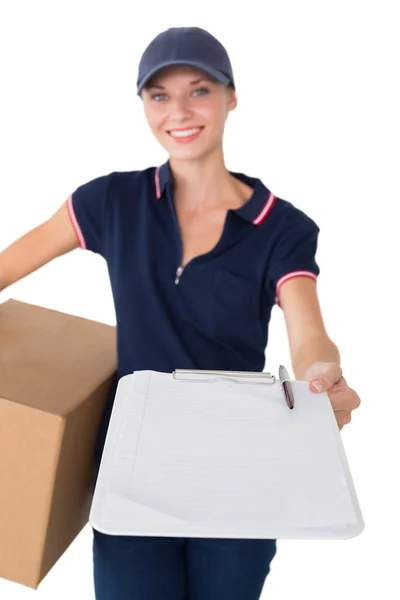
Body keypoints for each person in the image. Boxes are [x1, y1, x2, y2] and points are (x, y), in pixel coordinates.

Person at [0, 26, 361, 600]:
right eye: (160, 95)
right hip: (132, 468)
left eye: (199, 90)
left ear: (230, 97)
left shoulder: (282, 227)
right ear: (144, 105)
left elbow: (309, 334)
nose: (180, 111)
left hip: (240, 472)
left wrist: (322, 378)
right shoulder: (110, 202)